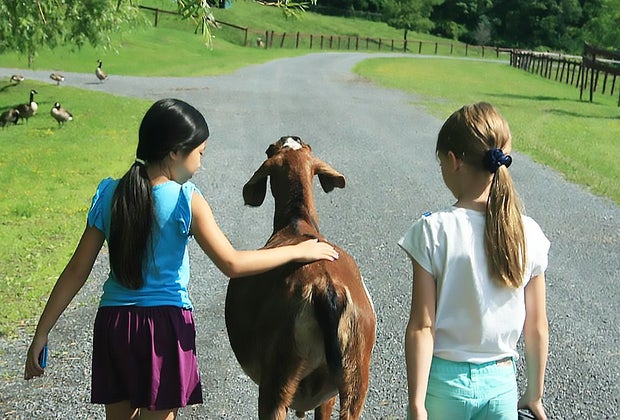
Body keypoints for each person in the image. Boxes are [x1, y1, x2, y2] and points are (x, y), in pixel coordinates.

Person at [24, 98, 339, 420]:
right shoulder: (186, 200)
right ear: (175, 152)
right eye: (199, 153)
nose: (200, 163)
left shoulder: (109, 193)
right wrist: (299, 250)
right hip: (164, 328)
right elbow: (231, 263)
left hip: (115, 326)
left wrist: (42, 332)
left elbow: (77, 270)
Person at [398, 102, 550, 420]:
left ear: (453, 161)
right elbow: (535, 326)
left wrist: (417, 404)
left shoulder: (432, 230)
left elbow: (423, 326)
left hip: (444, 386)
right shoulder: (529, 233)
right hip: (501, 387)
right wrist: (534, 393)